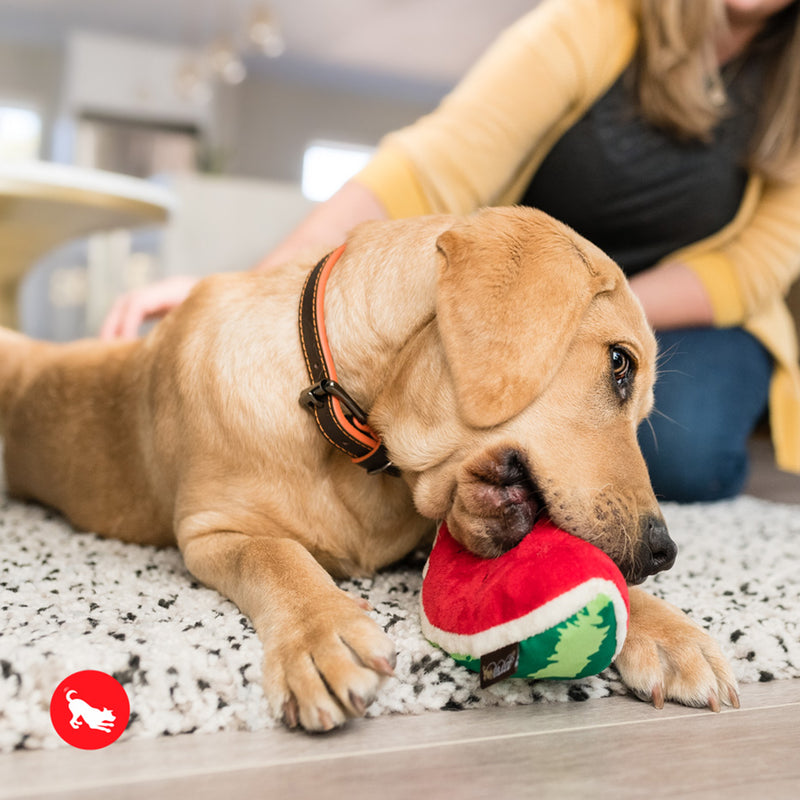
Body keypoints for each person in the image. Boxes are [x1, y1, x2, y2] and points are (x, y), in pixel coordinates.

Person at [101, 0, 800, 503]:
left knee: (684, 458)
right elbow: (433, 166)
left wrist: (580, 318)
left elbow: (754, 264)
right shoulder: (592, 20)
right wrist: (249, 293)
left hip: (688, 314)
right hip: (526, 290)